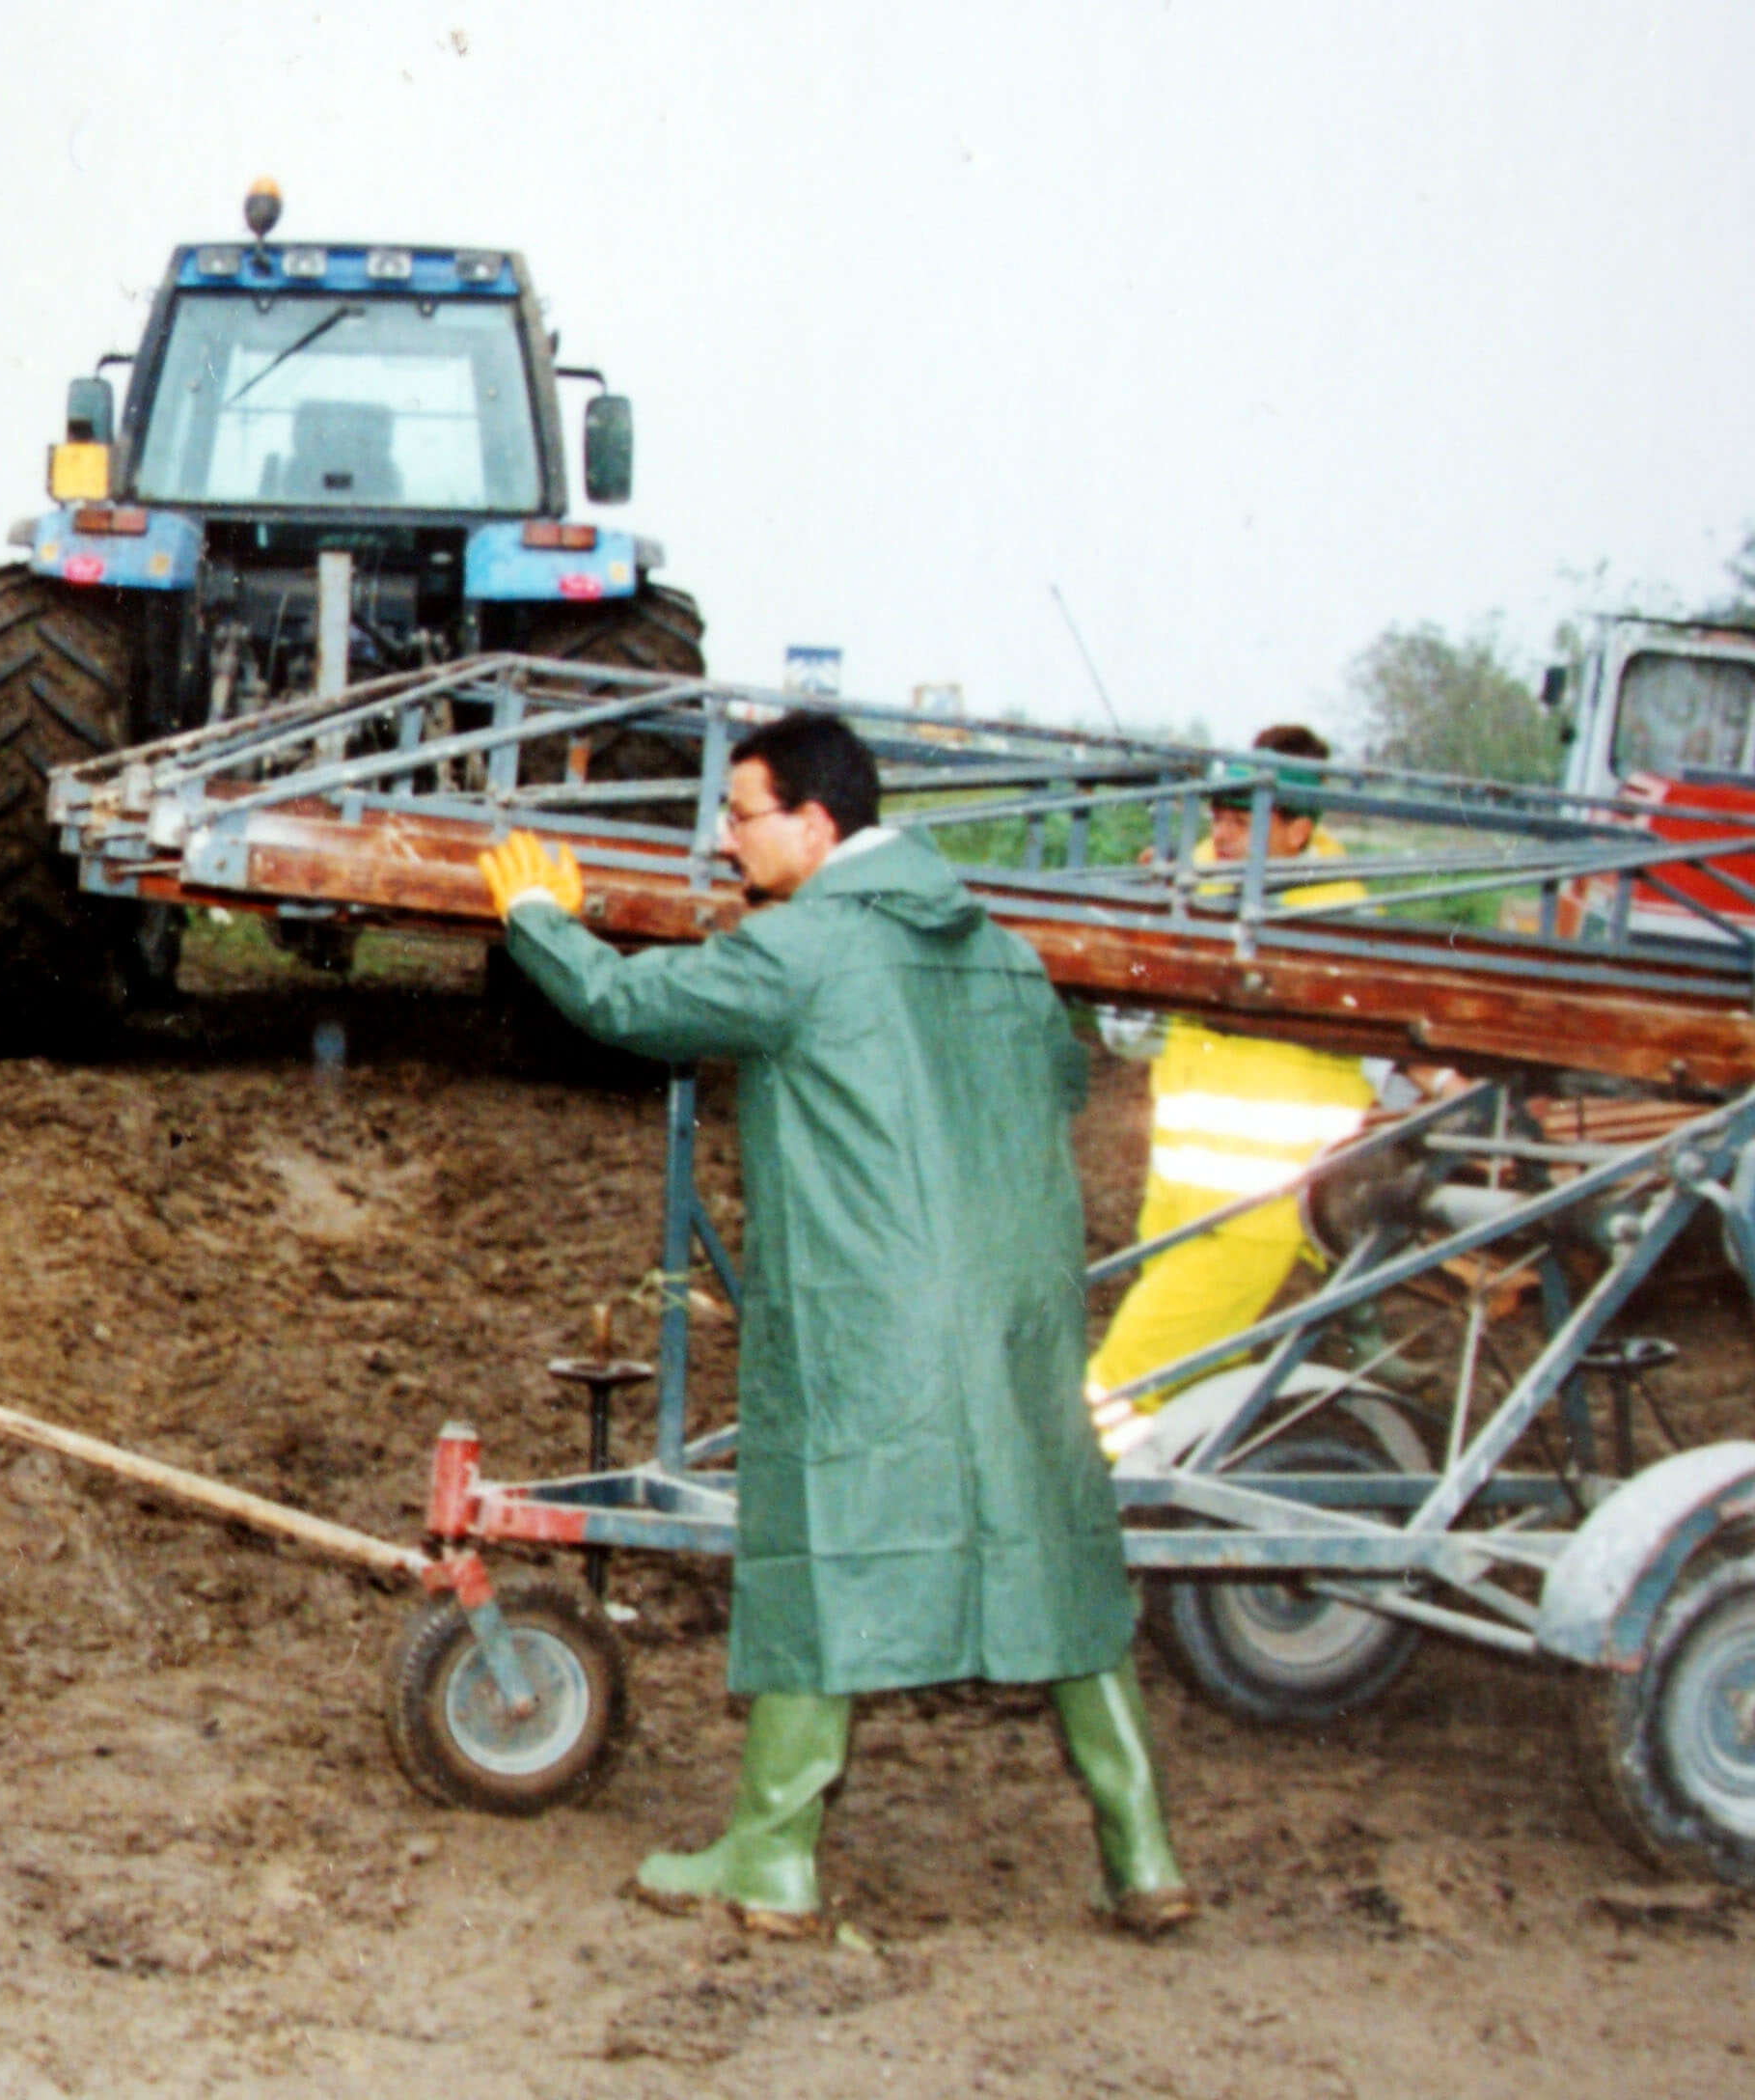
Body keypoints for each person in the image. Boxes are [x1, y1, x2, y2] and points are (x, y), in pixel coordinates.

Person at [477, 709, 1193, 1938]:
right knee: (1055, 1555)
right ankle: (1142, 1854)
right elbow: (1061, 1086)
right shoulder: (1006, 958)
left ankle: (772, 1859)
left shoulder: (801, 952)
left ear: (814, 823)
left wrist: (537, 919)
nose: (722, 838)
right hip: (1016, 1319)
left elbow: (623, 1004)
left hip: (868, 1315)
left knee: (823, 1542)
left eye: (739, 814)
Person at [1085, 726, 1378, 1462]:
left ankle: (1081, 1512)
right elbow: (1135, 1034)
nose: (1220, 831)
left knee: (1120, 1384)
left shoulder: (1334, 915)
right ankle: (1170, 1520)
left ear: (1298, 831)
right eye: (1217, 814)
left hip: (1257, 1208)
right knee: (1191, 1386)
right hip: (1181, 1202)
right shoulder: (1204, 878)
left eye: (1241, 821)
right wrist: (1153, 925)